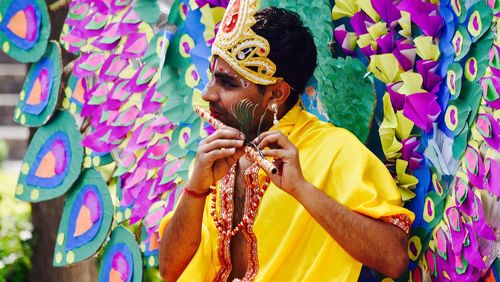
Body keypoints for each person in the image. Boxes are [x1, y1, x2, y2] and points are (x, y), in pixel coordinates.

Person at [159, 0, 415, 281]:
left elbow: (393, 259)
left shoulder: (334, 150)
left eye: (228, 83)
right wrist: (195, 189)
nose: (208, 94)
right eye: (212, 78)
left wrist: (302, 189)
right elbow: (170, 271)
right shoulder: (216, 156)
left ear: (277, 94)